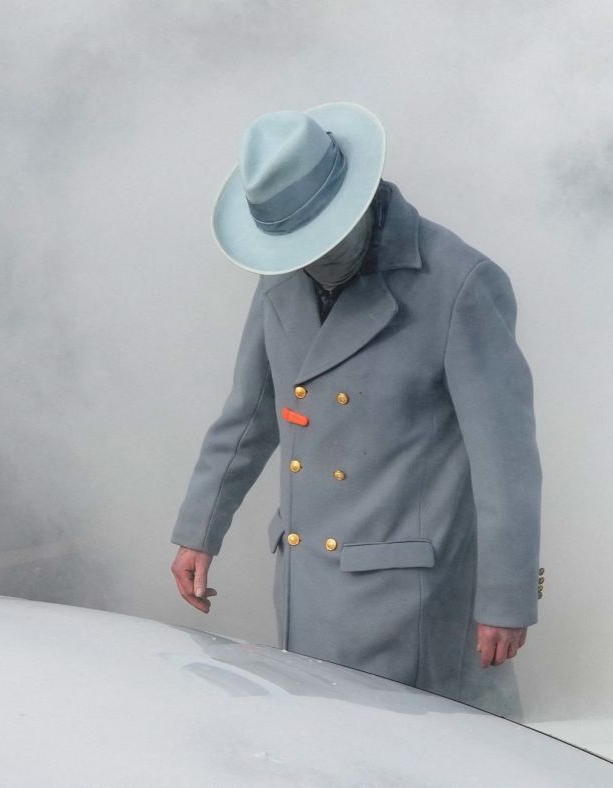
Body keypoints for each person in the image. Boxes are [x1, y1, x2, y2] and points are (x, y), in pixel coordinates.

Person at [170, 102, 542, 718]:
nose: (301, 257)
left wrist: (506, 600)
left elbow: (505, 460)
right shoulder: (282, 273)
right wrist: (198, 532)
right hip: (307, 578)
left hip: (409, 598)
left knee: (423, 757)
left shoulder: (461, 283)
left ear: (353, 199)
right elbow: (250, 412)